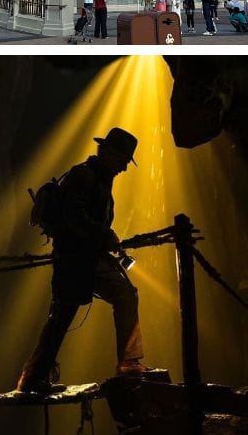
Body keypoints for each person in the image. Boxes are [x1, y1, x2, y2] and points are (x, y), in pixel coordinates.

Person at [15, 127, 150, 394]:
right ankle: (128, 363)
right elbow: (73, 217)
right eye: (124, 160)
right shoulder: (83, 176)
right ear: (110, 153)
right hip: (76, 259)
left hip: (83, 258)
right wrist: (105, 235)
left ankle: (33, 377)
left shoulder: (95, 179)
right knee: (112, 299)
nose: (124, 167)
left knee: (64, 316)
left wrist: (103, 239)